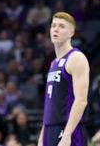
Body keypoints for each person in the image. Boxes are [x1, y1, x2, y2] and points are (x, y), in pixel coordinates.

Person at [38, 12, 90, 146]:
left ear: (71, 33)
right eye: (53, 25)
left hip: (69, 129)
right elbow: (50, 102)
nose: (55, 29)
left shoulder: (76, 58)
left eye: (61, 26)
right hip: (50, 129)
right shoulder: (53, 63)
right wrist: (43, 135)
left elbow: (81, 100)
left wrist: (67, 135)